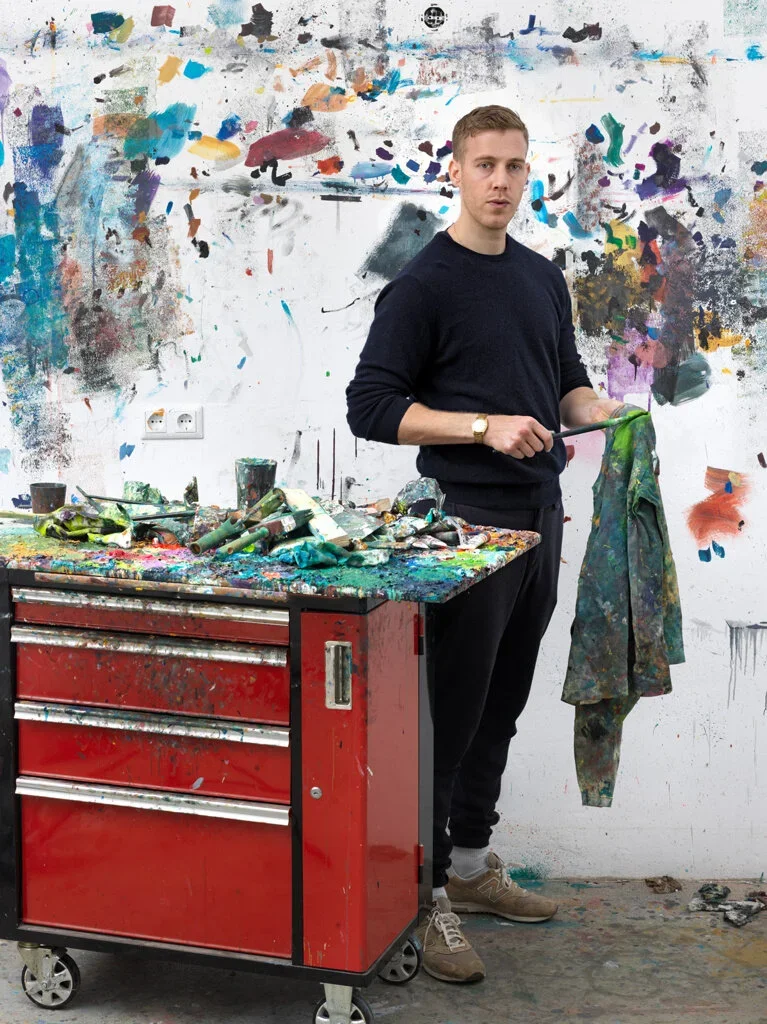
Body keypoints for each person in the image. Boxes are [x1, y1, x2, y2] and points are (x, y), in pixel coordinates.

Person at [345, 105, 624, 983]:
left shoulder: (541, 279)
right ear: (454, 173)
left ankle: (468, 870)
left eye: (514, 165)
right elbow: (370, 405)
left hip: (538, 522)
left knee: (501, 703)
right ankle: (419, 895)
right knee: (451, 716)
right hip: (463, 527)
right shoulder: (422, 284)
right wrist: (480, 427)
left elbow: (566, 385)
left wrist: (601, 414)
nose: (501, 180)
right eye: (485, 165)